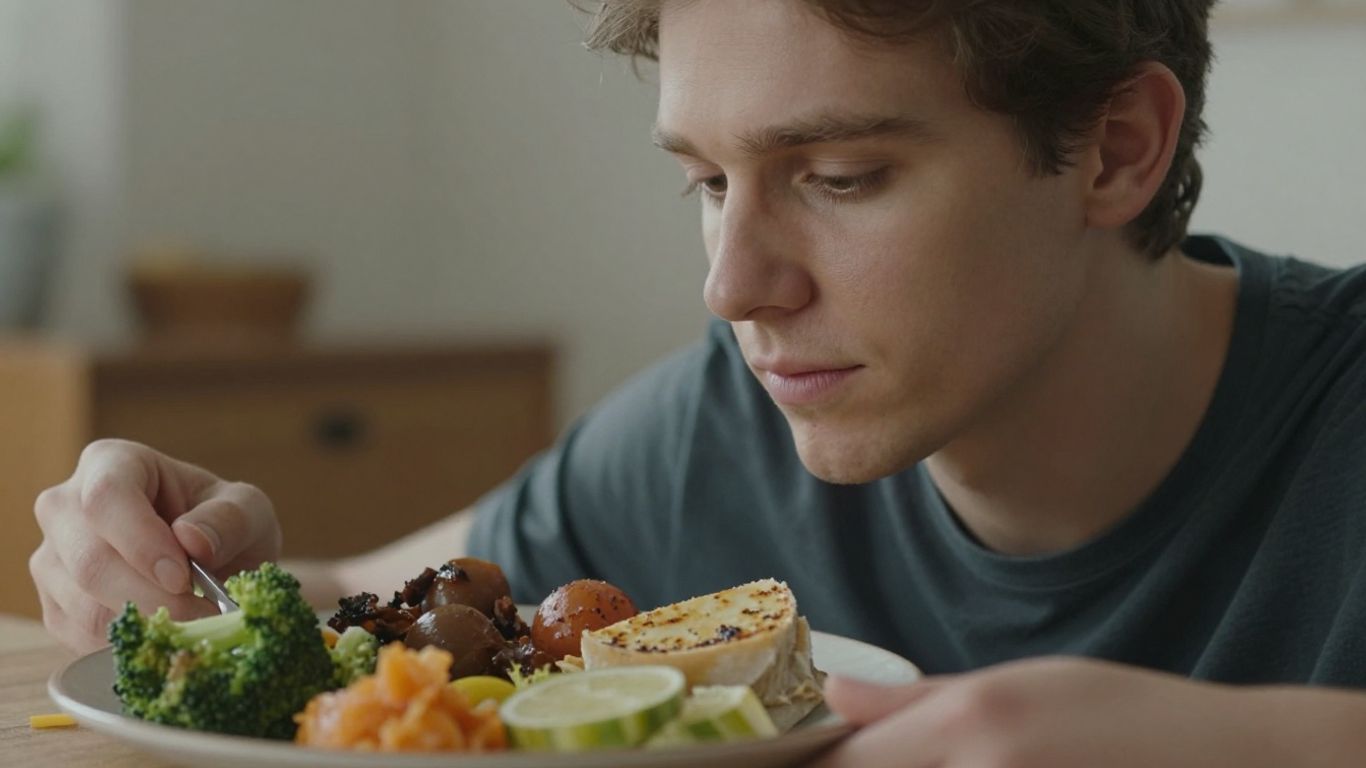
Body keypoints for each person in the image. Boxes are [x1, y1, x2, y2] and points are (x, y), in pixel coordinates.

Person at [29, 0, 1366, 764]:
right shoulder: (728, 425)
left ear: (1115, 149)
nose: (732, 287)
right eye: (706, 182)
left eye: (838, 178)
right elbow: (364, 616)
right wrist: (180, 569)